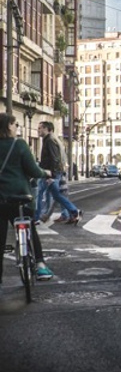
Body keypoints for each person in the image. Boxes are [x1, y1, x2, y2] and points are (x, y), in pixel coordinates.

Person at [0, 113, 54, 280]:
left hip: (1, 200)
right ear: (9, 126)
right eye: (16, 124)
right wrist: (45, 172)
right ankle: (39, 264)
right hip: (21, 198)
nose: (17, 128)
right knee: (30, 229)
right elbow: (33, 170)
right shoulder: (20, 144)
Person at [36, 121, 81, 225]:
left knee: (39, 193)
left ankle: (37, 217)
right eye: (38, 128)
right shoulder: (49, 139)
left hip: (49, 173)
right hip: (51, 172)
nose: (38, 130)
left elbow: (54, 158)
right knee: (57, 195)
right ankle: (74, 211)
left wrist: (52, 175)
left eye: (41, 128)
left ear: (48, 129)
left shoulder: (50, 140)